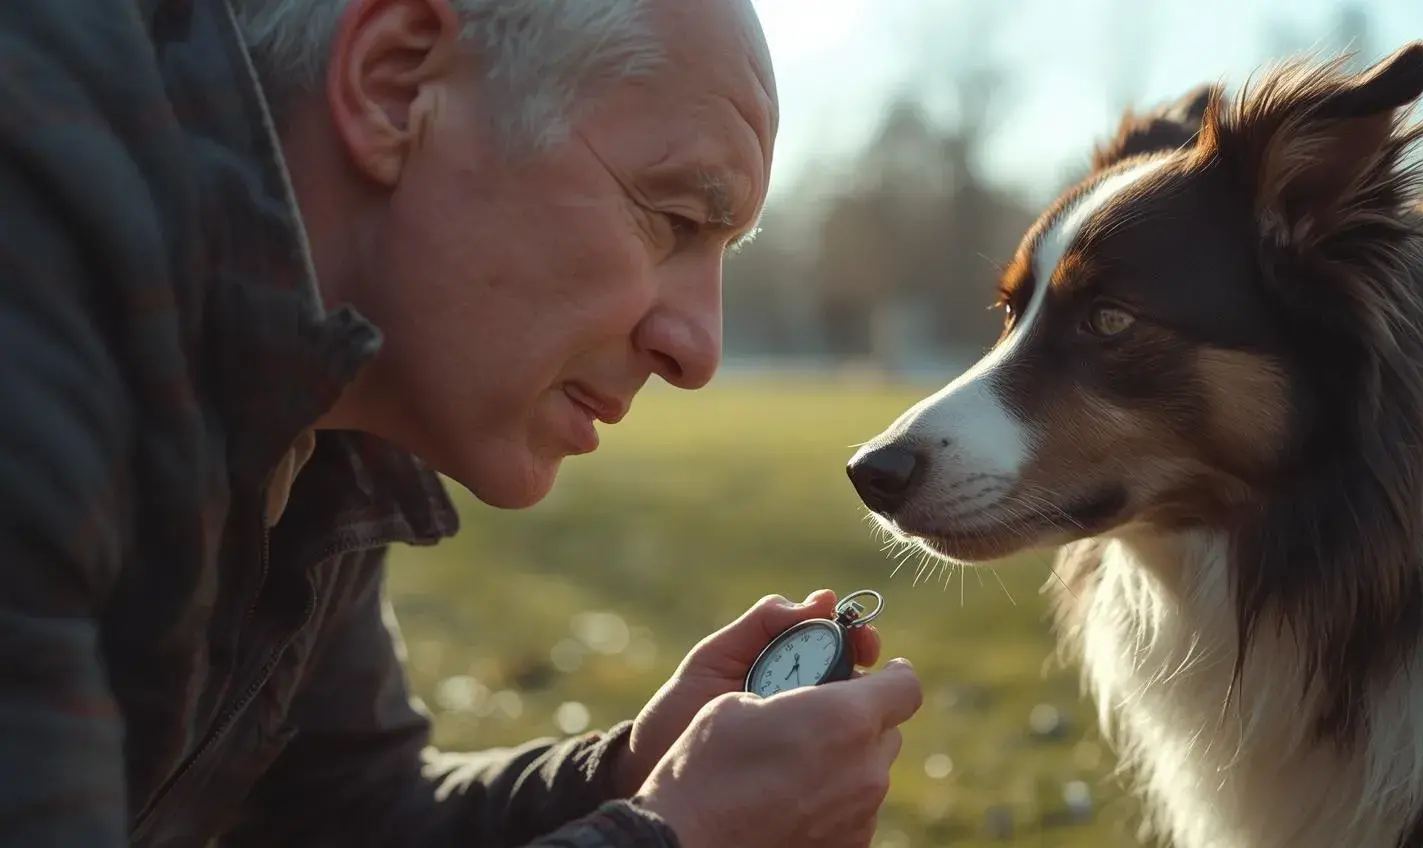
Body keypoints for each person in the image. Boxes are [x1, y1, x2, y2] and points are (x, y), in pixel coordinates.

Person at [0, 0, 924, 846]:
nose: (700, 349)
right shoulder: (36, 307)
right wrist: (674, 836)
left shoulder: (324, 388)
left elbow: (346, 814)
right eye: (673, 216)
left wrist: (637, 775)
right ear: (395, 86)